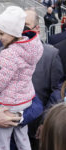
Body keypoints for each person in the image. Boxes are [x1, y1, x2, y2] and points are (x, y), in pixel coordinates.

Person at [24, 9, 64, 150]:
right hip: (13, 128)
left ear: (37, 29)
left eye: (26, 25)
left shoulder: (51, 54)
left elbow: (58, 90)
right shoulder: (4, 52)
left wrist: (46, 121)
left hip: (39, 128)